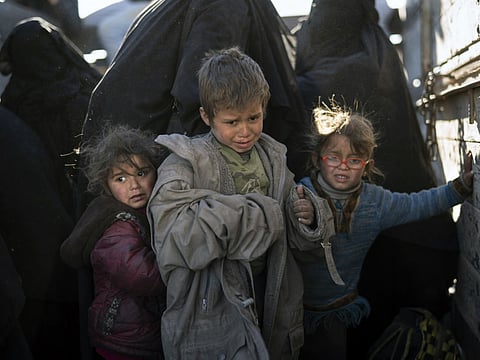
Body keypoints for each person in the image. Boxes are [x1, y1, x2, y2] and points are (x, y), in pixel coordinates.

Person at [147, 47, 335, 359]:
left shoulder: (273, 157)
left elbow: (297, 228)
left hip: (268, 294)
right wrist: (261, 215)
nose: (245, 131)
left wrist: (308, 215)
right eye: (232, 122)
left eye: (254, 117)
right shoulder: (184, 163)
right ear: (207, 116)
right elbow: (173, 237)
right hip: (212, 310)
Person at [295, 102, 474, 360]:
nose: (343, 166)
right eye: (333, 157)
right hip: (291, 306)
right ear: (316, 159)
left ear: (366, 166)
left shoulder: (376, 203)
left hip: (339, 309)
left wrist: (458, 188)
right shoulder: (301, 192)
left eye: (354, 160)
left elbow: (417, 204)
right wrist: (300, 215)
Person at [60, 126, 167, 360]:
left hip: (138, 332)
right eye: (121, 178)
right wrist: (187, 259)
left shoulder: (142, 213)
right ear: (105, 185)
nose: (134, 186)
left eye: (141, 173)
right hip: (124, 339)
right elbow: (143, 276)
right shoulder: (115, 229)